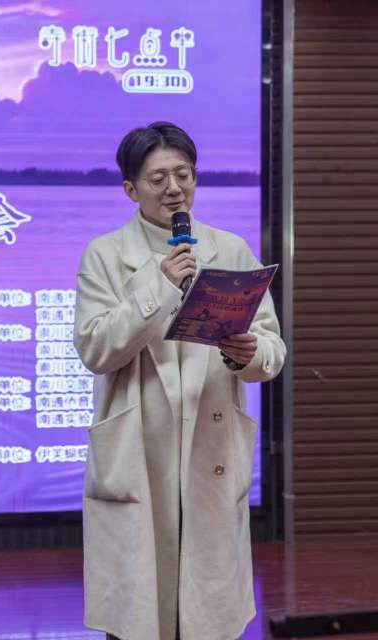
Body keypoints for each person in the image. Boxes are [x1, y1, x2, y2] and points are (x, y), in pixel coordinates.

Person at [73, 122, 286, 640]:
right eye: (158, 179)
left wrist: (247, 354)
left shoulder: (229, 249)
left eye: (184, 175)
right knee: (140, 613)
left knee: (207, 615)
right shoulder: (105, 256)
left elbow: (272, 351)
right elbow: (96, 349)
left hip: (210, 449)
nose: (174, 189)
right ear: (131, 189)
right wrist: (160, 284)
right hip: (139, 452)